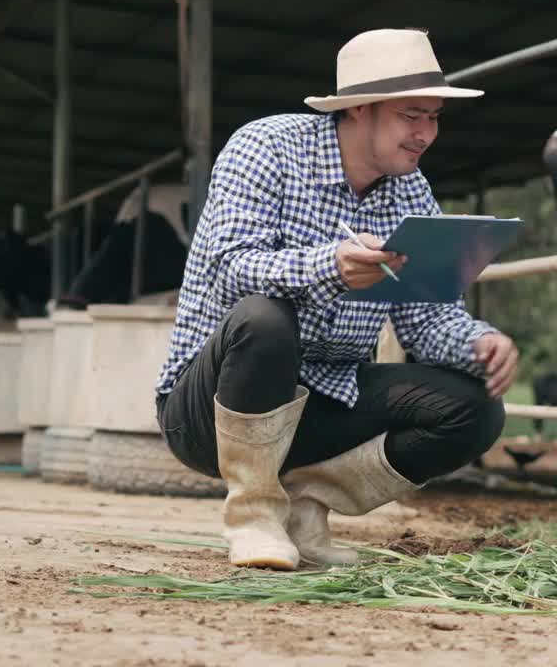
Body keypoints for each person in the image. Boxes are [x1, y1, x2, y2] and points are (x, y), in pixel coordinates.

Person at [154, 28, 518, 571]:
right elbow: (229, 271)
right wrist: (331, 266)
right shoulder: (266, 147)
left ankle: (305, 508)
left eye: (434, 117)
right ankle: (253, 516)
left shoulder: (412, 191)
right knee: (265, 318)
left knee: (475, 410)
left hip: (324, 398)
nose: (425, 133)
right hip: (210, 407)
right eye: (410, 115)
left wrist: (480, 340)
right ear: (359, 111)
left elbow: (425, 318)